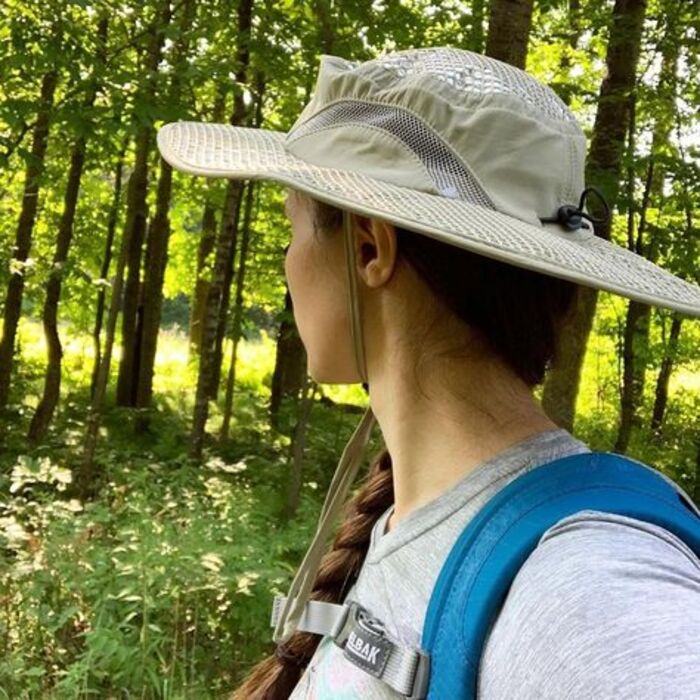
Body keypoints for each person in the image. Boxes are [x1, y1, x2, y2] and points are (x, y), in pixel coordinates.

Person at [157, 48, 700, 699]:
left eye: (292, 229)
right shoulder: (412, 516)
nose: (285, 262)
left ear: (369, 249)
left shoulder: (587, 588)